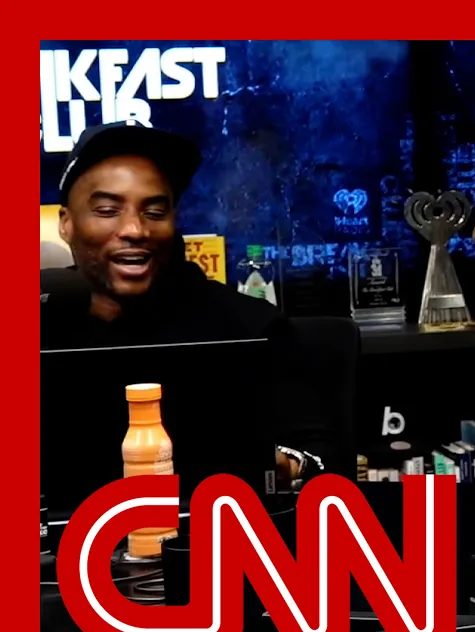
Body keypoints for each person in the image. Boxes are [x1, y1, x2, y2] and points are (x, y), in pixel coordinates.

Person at [41, 122, 333, 488]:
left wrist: (287, 465)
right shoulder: (39, 327)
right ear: (66, 224)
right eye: (107, 210)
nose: (135, 230)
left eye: (154, 212)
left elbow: (322, 457)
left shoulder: (249, 327)